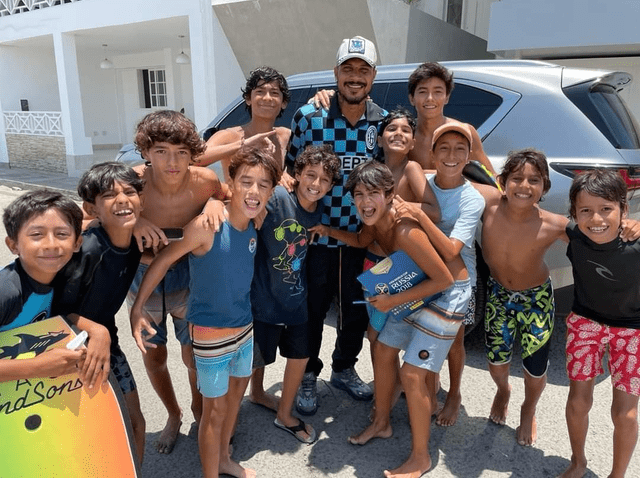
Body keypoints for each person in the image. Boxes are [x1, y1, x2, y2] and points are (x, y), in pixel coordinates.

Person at [130, 147, 280, 478]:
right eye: (246, 182)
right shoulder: (207, 226)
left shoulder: (254, 224)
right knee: (212, 412)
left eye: (264, 185)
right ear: (231, 182)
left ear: (272, 191)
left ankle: (224, 458)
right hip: (211, 334)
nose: (254, 192)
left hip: (244, 328)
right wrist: (137, 307)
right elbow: (164, 259)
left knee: (234, 400)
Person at [311, 160, 459, 477]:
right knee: (380, 349)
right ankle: (382, 423)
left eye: (374, 193)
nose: (365, 202)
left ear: (390, 195)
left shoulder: (405, 230)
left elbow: (444, 280)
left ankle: (421, 457)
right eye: (359, 194)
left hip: (447, 293)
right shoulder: (374, 222)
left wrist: (391, 300)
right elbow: (363, 242)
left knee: (412, 374)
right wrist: (329, 231)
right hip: (417, 285)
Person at [286, 36, 387, 415]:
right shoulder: (310, 116)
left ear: (374, 76)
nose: (355, 77)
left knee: (355, 310)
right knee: (311, 310)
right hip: (314, 237)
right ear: (336, 73)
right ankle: (308, 373)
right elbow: (288, 170)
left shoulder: (383, 121)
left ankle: (344, 368)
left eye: (363, 70)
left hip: (361, 238)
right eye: (348, 69)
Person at [126, 109, 228, 454]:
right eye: (161, 152)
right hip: (143, 278)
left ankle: (200, 411)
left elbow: (225, 193)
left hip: (189, 275)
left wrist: (215, 201)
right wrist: (134, 222)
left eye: (181, 153)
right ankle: (173, 413)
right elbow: (90, 215)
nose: (172, 162)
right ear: (145, 152)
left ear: (193, 155)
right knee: (155, 357)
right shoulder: (130, 185)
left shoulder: (204, 181)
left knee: (193, 355)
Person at [52, 162, 146, 464]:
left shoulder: (135, 242)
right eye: (108, 195)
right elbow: (57, 311)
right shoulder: (87, 249)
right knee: (88, 437)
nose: (122, 199)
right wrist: (97, 330)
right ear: (90, 208)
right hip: (69, 350)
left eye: (130, 191)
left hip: (108, 345)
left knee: (135, 424)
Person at [394, 122, 485, 428]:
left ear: (469, 156)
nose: (451, 155)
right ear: (432, 154)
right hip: (423, 272)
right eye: (443, 148)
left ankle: (455, 394)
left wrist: (419, 213)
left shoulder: (472, 199)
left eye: (460, 149)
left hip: (459, 280)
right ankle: (429, 391)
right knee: (426, 338)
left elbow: (451, 249)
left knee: (454, 343)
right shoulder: (426, 182)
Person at [248, 145, 340, 443]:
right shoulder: (276, 197)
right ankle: (255, 394)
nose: (316, 184)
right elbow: (244, 197)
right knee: (255, 359)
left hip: (296, 297)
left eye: (324, 180)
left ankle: (285, 414)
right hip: (262, 297)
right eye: (310, 175)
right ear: (297, 174)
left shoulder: (321, 210)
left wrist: (324, 229)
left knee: (300, 355)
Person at [560, 169, 640, 478]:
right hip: (585, 323)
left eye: (606, 209)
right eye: (586, 210)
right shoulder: (575, 237)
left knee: (625, 413)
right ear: (574, 213)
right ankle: (578, 462)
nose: (597, 219)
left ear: (623, 207)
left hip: (632, 330)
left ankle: (617, 475)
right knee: (578, 402)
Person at [0, 190, 85, 381]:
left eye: (62, 234)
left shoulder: (61, 279)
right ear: (13, 245)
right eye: (37, 234)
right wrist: (37, 366)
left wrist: (99, 331)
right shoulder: (7, 291)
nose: (51, 244)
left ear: (77, 243)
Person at [199, 66, 291, 181]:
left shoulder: (285, 136)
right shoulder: (230, 136)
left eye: (274, 93)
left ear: (284, 103)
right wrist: (243, 145)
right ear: (248, 99)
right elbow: (196, 159)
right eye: (260, 92)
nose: (267, 98)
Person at [406, 62, 495, 175]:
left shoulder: (465, 132)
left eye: (437, 92)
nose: (430, 98)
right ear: (412, 99)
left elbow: (490, 176)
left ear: (447, 98)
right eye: (423, 92)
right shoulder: (405, 134)